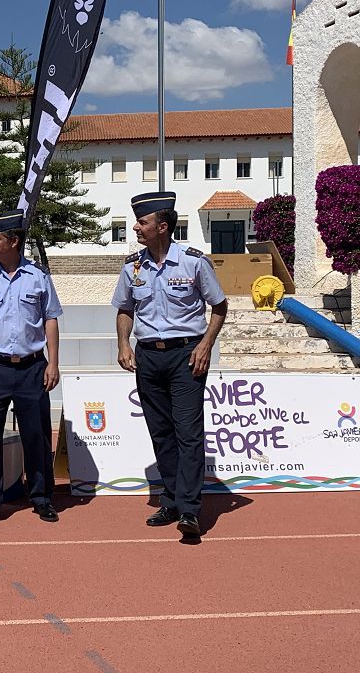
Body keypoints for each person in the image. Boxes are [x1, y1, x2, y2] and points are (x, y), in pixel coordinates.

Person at [112, 191, 227, 537]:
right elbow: (124, 309)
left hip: (186, 355)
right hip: (148, 356)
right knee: (161, 433)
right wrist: (123, 343)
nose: (136, 227)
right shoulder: (132, 266)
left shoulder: (194, 262)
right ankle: (172, 499)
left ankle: (190, 511)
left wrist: (206, 345)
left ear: (162, 227)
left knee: (188, 434)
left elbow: (219, 307)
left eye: (142, 222)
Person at [0, 210, 62, 527]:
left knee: (37, 436)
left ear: (13, 241)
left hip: (33, 367)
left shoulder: (39, 277)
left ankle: (41, 497)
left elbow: (50, 320)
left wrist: (53, 362)